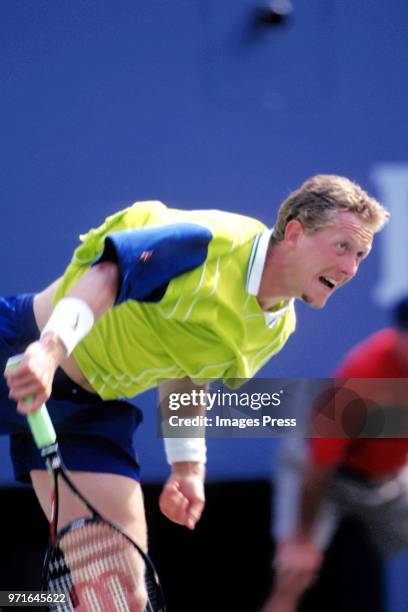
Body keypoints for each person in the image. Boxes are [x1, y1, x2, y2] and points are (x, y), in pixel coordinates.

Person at [2, 175, 387, 608]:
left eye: (360, 255)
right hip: (21, 344)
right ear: (295, 232)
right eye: (342, 247)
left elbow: (188, 370)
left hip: (90, 415)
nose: (351, 268)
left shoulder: (277, 327)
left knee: (121, 597)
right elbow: (108, 274)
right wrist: (48, 353)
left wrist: (187, 468)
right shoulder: (209, 242)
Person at [262, 297, 408, 612]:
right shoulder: (365, 373)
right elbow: (318, 469)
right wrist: (301, 540)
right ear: (400, 334)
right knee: (293, 573)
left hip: (387, 479)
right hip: (319, 472)